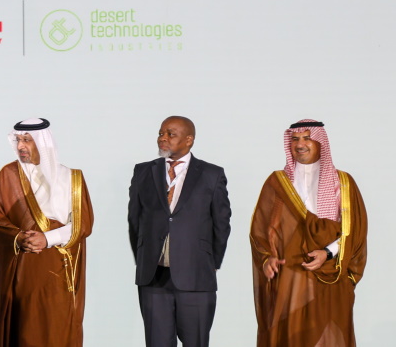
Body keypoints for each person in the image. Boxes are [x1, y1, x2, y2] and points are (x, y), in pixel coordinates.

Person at [250, 120, 367, 346]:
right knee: (290, 335)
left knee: (328, 336)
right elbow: (260, 230)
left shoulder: (343, 182)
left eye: (307, 138)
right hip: (289, 275)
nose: (300, 144)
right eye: (295, 139)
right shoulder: (277, 182)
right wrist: (267, 258)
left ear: (320, 142)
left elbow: (354, 231)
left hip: (330, 273)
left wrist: (327, 253)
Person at [0, 118, 94, 347]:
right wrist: (19, 238)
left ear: (43, 143)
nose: (20, 146)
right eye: (18, 140)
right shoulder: (8, 175)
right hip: (23, 267)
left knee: (57, 326)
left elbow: (83, 224)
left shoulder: (71, 177)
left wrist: (47, 238)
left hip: (59, 268)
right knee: (25, 327)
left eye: (27, 140)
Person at [128, 116, 231, 347]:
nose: (162, 138)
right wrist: (144, 257)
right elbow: (135, 219)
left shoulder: (211, 174)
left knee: (196, 341)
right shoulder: (143, 171)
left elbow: (221, 223)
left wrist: (211, 262)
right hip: (153, 278)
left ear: (189, 140)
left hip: (197, 276)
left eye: (170, 134)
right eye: (160, 133)